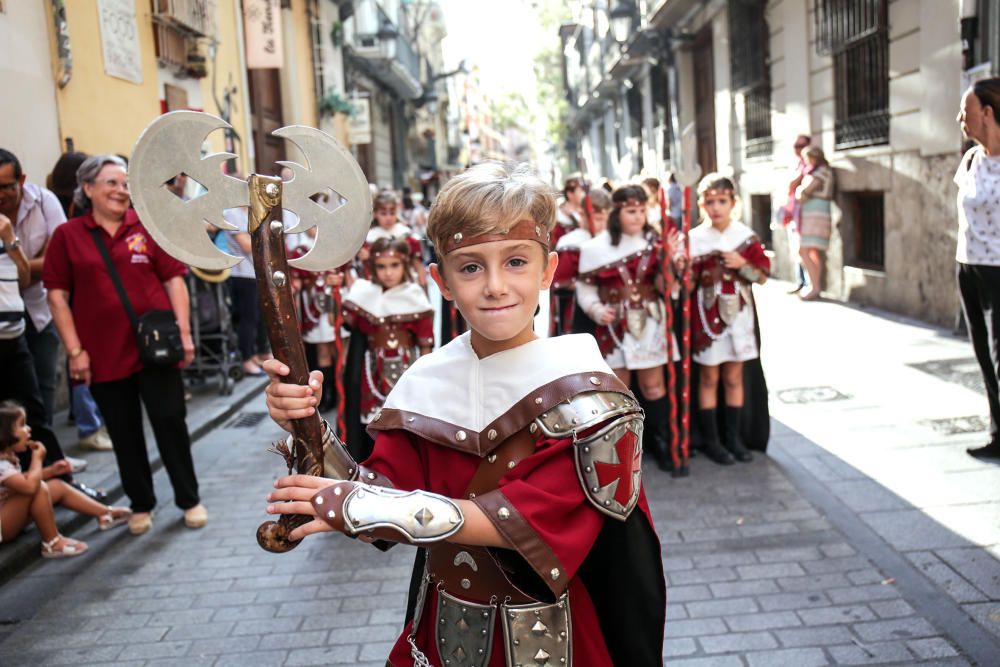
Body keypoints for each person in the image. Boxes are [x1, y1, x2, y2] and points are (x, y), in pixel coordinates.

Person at [262, 162, 666, 666]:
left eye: (516, 262)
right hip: (442, 632)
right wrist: (309, 429)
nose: (495, 285)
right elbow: (381, 488)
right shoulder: (428, 380)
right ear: (442, 280)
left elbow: (520, 521)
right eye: (471, 267)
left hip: (551, 642)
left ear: (548, 270)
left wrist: (356, 504)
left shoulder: (587, 393)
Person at [42, 155, 207, 535]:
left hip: (156, 349)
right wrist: (74, 351)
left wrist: (183, 333)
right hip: (102, 354)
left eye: (126, 183)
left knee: (171, 423)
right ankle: (141, 503)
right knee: (123, 430)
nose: (121, 190)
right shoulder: (68, 236)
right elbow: (57, 296)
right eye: (112, 182)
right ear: (88, 188)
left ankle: (189, 499)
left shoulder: (148, 225)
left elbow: (174, 282)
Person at [575, 184, 683, 472]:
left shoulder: (657, 242)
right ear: (617, 212)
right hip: (614, 329)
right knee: (619, 392)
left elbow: (667, 289)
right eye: (631, 211)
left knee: (653, 385)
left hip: (651, 323)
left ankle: (661, 444)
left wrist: (669, 261)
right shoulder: (595, 248)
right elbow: (584, 288)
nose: (638, 216)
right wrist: (596, 310)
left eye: (642, 210)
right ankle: (624, 452)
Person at [689, 174, 770, 465]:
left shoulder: (744, 236)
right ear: (702, 205)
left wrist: (742, 264)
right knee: (709, 376)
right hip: (706, 317)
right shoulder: (695, 239)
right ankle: (712, 441)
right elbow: (685, 284)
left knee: (734, 376)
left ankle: (734, 438)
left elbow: (761, 277)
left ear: (733, 202)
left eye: (722, 201)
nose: (716, 207)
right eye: (709, 202)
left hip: (740, 317)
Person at [45, 151, 114, 453]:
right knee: (82, 362)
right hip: (79, 301)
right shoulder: (71, 217)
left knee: (82, 364)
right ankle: (89, 425)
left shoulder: (58, 205)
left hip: (80, 300)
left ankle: (89, 421)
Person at [341, 237, 433, 461]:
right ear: (372, 266)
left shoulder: (415, 295)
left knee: (404, 422)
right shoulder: (363, 294)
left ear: (405, 264)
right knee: (371, 422)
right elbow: (346, 329)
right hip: (371, 371)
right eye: (381, 266)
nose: (388, 273)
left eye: (394, 265)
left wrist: (425, 383)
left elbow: (425, 346)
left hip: (406, 368)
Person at [0, 402, 130, 557]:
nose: (28, 429)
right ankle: (52, 542)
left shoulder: (8, 458)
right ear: (5, 434)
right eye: (22, 425)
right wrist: (37, 459)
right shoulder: (1, 465)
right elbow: (29, 486)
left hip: (9, 514)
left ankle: (104, 513)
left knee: (56, 486)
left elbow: (22, 480)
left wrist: (51, 471)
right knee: (39, 488)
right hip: (3, 526)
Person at [955, 77, 1000, 461]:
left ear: (986, 112)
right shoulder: (971, 159)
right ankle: (997, 432)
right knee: (983, 354)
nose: (960, 118)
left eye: (966, 111)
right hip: (968, 266)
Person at [551, 187, 611, 336]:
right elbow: (561, 282)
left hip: (607, 310)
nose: (602, 225)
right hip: (577, 313)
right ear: (582, 214)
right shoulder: (570, 243)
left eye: (604, 219)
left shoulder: (609, 238)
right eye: (597, 219)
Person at [222, 206, 269, 377]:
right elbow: (248, 246)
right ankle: (246, 358)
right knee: (248, 317)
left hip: (257, 272)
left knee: (260, 316)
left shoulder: (251, 212)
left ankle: (258, 354)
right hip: (242, 273)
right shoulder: (232, 213)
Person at [795, 146, 835, 301]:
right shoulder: (821, 170)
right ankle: (815, 286)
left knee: (803, 250)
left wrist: (799, 192)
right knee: (812, 251)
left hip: (815, 214)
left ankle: (815, 287)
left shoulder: (820, 171)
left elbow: (805, 192)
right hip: (814, 213)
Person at [365, 191, 427, 288]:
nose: (388, 218)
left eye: (392, 213)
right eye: (383, 213)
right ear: (375, 213)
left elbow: (419, 267)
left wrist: (423, 289)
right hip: (377, 287)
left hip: (406, 286)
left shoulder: (407, 236)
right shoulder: (369, 239)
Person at [783, 134, 812, 294]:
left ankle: (807, 283)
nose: (798, 150)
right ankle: (800, 281)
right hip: (792, 210)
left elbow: (793, 184)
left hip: (803, 211)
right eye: (796, 146)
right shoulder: (796, 164)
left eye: (802, 146)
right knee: (795, 247)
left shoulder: (808, 165)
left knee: (802, 247)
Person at [553, 174, 585, 247]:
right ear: (570, 194)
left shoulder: (585, 210)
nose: (583, 194)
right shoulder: (559, 216)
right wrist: (572, 216)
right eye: (580, 191)